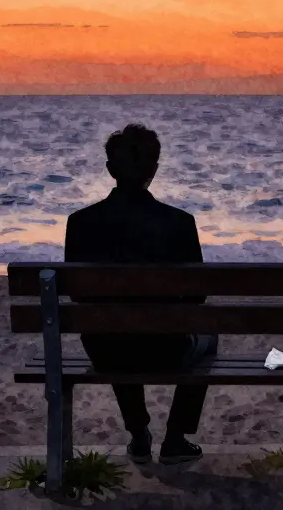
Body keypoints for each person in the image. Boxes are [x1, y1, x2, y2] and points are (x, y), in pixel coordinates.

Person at [64, 123, 217, 465]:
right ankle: (175, 437)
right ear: (155, 170)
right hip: (165, 350)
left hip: (105, 351)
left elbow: (78, 297)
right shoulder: (178, 222)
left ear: (110, 170)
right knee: (210, 333)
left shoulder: (81, 222)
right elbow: (198, 297)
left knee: (113, 325)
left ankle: (138, 433)